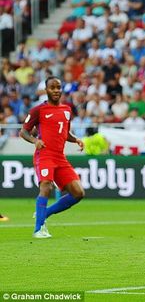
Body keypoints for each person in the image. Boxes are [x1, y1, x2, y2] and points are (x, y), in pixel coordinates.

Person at [19, 77, 85, 239]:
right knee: (46, 186)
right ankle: (38, 229)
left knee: (78, 193)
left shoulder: (67, 110)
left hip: (60, 157)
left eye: (58, 87)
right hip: (45, 155)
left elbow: (64, 132)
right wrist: (35, 141)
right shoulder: (38, 110)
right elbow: (23, 132)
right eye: (52, 87)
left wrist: (75, 139)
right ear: (46, 90)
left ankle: (43, 213)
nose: (56, 90)